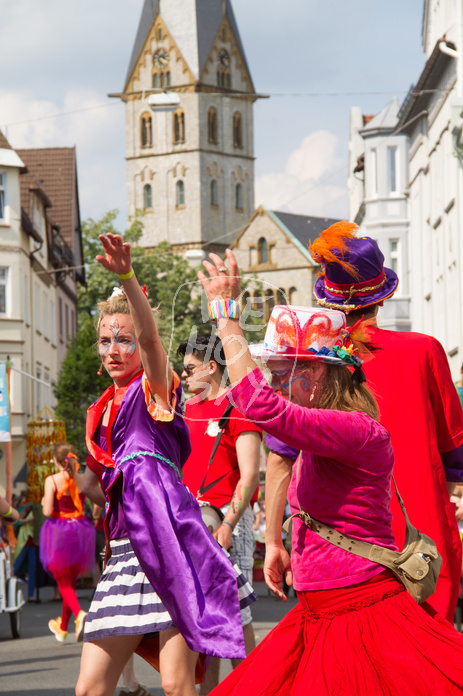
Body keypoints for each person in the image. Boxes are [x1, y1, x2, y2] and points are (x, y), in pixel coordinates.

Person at [196, 249, 463, 696]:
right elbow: (283, 463)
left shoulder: (353, 428)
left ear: (318, 373)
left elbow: (263, 408)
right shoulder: (322, 429)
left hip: (359, 612)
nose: (276, 385)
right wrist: (281, 545)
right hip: (320, 612)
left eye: (283, 374)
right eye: (274, 375)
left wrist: (227, 317)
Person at [76, 233, 254, 696]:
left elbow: (153, 337)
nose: (113, 349)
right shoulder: (100, 411)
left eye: (124, 340)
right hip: (124, 552)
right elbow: (103, 485)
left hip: (172, 545)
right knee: (89, 688)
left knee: (177, 685)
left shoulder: (154, 387)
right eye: (104, 341)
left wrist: (127, 278)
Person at [305, 220, 463, 623]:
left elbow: (286, 456)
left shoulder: (317, 364)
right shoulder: (425, 350)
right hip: (420, 532)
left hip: (343, 535)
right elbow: (456, 454)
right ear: (382, 298)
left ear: (329, 300)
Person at [177, 334, 262, 695]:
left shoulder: (238, 407)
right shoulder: (186, 410)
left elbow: (249, 475)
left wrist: (228, 523)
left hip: (228, 522)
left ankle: (258, 687)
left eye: (189, 368)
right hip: (191, 522)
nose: (182, 375)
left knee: (234, 615)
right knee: (204, 618)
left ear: (212, 367)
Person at [40, 443, 95, 643]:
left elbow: (47, 512)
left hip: (59, 532)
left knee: (63, 581)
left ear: (55, 460)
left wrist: (45, 502)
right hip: (80, 531)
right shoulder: (81, 479)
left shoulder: (52, 480)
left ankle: (80, 614)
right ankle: (62, 628)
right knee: (68, 581)